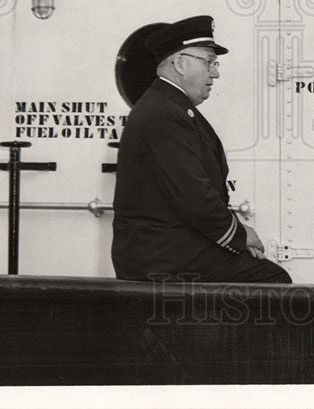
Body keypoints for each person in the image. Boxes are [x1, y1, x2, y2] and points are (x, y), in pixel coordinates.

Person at [112, 15, 291, 283]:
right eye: (208, 61)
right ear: (181, 63)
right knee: (272, 281)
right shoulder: (164, 113)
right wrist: (241, 237)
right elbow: (194, 197)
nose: (215, 72)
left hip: (173, 252)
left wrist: (237, 239)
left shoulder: (169, 106)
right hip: (163, 260)